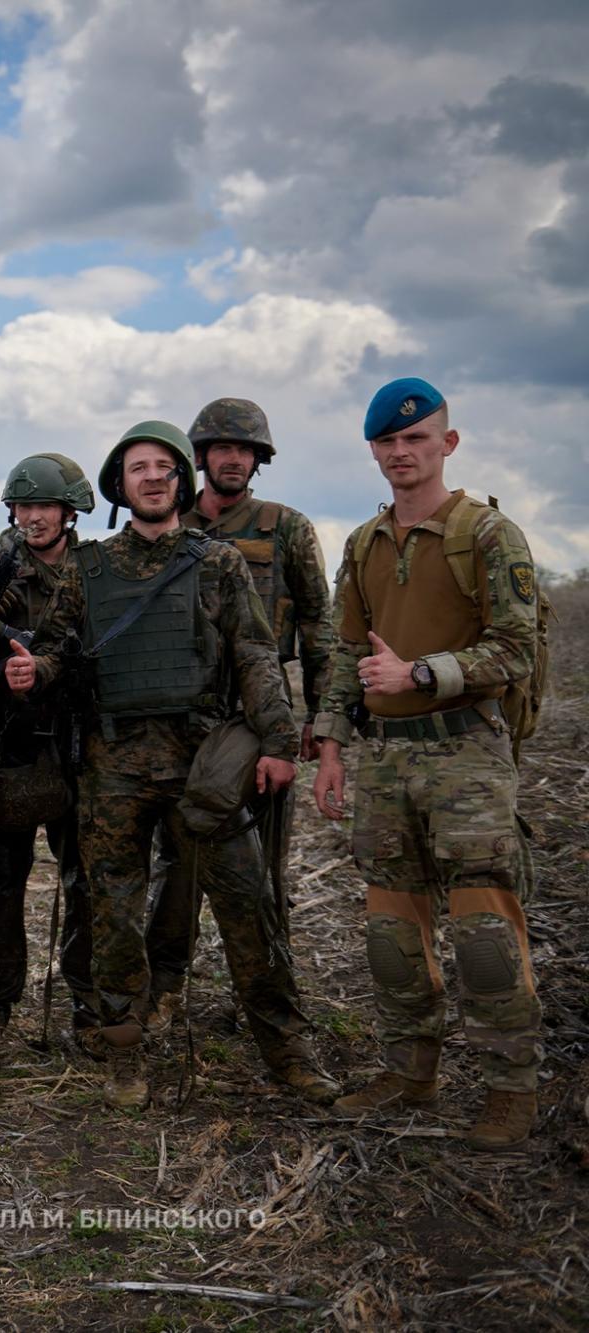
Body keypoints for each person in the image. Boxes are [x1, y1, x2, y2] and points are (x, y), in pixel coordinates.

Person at [21, 422, 336, 1109]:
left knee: (247, 906)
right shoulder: (88, 568)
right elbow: (56, 649)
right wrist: (31, 670)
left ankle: (287, 1049)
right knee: (115, 914)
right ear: (120, 484)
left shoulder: (216, 562)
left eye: (164, 465)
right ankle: (124, 1047)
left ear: (180, 480)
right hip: (114, 767)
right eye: (139, 467)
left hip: (204, 764)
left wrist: (279, 743)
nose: (154, 475)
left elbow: (255, 656)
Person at [312, 377, 545, 1149]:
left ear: (447, 444)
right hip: (384, 761)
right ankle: (410, 1069)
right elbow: (347, 654)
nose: (401, 452)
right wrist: (331, 748)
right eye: (388, 442)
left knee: (483, 933)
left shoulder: (486, 534)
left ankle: (511, 1084)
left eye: (416, 439)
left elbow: (514, 649)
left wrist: (421, 673)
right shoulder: (363, 543)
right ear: (373, 451)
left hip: (466, 752)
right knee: (391, 934)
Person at [144, 398, 332, 1028]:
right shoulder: (170, 521)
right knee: (178, 858)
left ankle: (270, 988)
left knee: (261, 862)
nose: (232, 459)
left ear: (259, 460)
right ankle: (165, 984)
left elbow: (318, 626)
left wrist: (316, 721)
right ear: (198, 458)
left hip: (259, 709)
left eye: (244, 450)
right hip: (189, 712)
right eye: (220, 449)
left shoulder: (287, 527)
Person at [0, 455, 96, 1049]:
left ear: (69, 511)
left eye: (44, 506)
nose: (33, 517)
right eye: (22, 506)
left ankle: (89, 1002)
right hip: (11, 743)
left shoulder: (95, 568)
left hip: (76, 741)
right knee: (2, 882)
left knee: (87, 880)